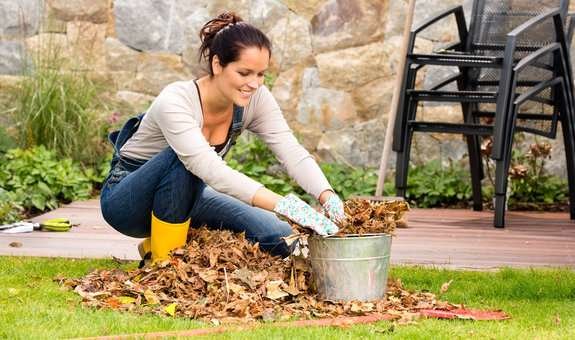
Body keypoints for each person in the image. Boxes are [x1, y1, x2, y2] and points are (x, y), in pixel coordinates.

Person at [100, 11, 344, 264]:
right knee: (184, 161)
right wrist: (288, 206)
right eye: (244, 73)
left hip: (190, 196)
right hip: (128, 202)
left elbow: (290, 151)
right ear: (217, 64)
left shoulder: (255, 99)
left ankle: (169, 241)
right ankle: (163, 264)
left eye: (261, 74)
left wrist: (327, 196)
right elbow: (209, 168)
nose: (254, 84)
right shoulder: (175, 100)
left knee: (279, 236)